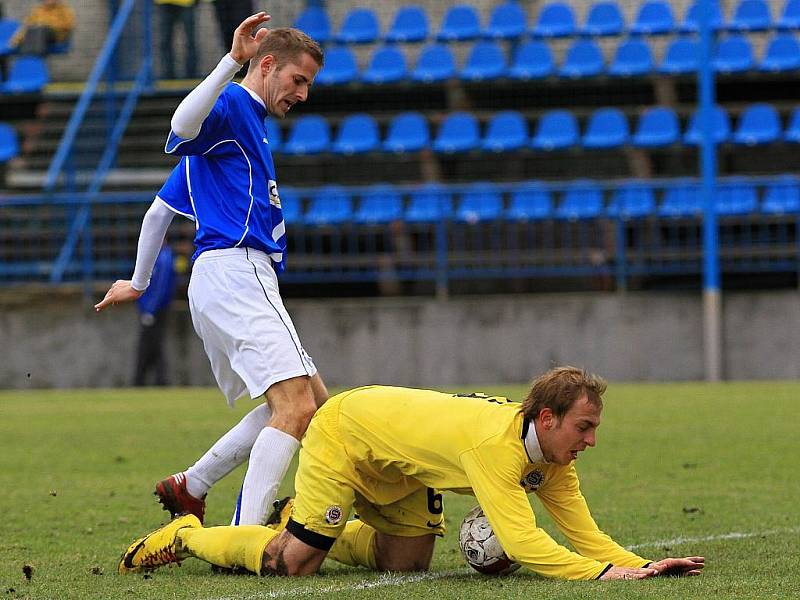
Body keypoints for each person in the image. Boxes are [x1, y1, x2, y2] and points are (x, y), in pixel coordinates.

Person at [119, 367, 705, 581]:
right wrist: (602, 577)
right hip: (348, 435)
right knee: (291, 564)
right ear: (547, 418)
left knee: (407, 563)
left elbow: (582, 533)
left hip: (398, 465)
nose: (591, 441)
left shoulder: (551, 460)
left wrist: (636, 565)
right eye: (584, 427)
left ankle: (299, 520)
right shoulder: (496, 448)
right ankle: (187, 537)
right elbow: (525, 543)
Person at [95, 12, 328, 528]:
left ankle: (192, 485)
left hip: (227, 279)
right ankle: (248, 532)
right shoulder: (232, 107)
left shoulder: (223, 142)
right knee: (299, 410)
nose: (303, 94)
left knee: (312, 402)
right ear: (267, 65)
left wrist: (137, 282)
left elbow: (158, 211)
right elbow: (180, 124)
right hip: (237, 272)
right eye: (298, 80)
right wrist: (229, 62)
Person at [132, 244, 176, 387]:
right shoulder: (158, 256)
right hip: (150, 308)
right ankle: (154, 379)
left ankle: (146, 380)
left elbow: (160, 287)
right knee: (152, 344)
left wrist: (150, 310)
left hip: (156, 310)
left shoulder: (163, 257)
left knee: (150, 345)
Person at [9, 0, 75, 56]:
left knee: (42, 28)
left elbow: (69, 25)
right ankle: (28, 55)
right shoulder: (38, 10)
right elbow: (26, 26)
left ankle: (36, 53)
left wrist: (47, 24)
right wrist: (15, 40)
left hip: (56, 36)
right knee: (33, 29)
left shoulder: (63, 9)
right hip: (40, 35)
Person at [155, 0, 198, 80]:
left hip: (186, 3)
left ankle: (191, 75)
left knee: (190, 41)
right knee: (165, 41)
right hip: (166, 3)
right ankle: (168, 75)